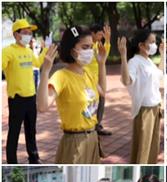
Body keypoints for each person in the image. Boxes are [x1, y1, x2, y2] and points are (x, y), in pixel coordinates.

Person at [37, 26, 107, 164]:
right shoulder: (61, 76)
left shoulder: (87, 72)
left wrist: (102, 64)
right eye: (85, 47)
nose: (90, 51)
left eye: (91, 47)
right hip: (74, 142)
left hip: (92, 137)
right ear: (72, 49)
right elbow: (43, 106)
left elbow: (102, 92)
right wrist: (45, 72)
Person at [3, 19, 47, 164]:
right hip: (17, 99)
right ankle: (11, 161)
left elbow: (38, 62)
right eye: (25, 33)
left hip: (30, 97)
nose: (29, 36)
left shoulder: (28, 51)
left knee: (31, 130)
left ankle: (33, 157)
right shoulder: (8, 51)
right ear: (16, 35)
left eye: (30, 33)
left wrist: (45, 49)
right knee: (14, 132)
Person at [118, 30, 163, 164]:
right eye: (152, 42)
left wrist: (163, 54)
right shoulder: (134, 62)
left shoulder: (148, 60)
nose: (155, 45)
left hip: (155, 109)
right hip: (144, 111)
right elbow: (126, 81)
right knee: (144, 148)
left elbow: (159, 74)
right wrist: (123, 56)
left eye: (155, 41)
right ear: (141, 45)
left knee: (153, 147)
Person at [89, 23, 112, 136]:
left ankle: (98, 125)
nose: (100, 37)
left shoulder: (98, 44)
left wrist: (107, 41)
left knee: (101, 101)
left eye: (102, 35)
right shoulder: (88, 46)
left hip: (99, 79)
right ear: (92, 33)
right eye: (99, 34)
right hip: (89, 80)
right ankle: (90, 126)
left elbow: (104, 57)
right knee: (92, 103)